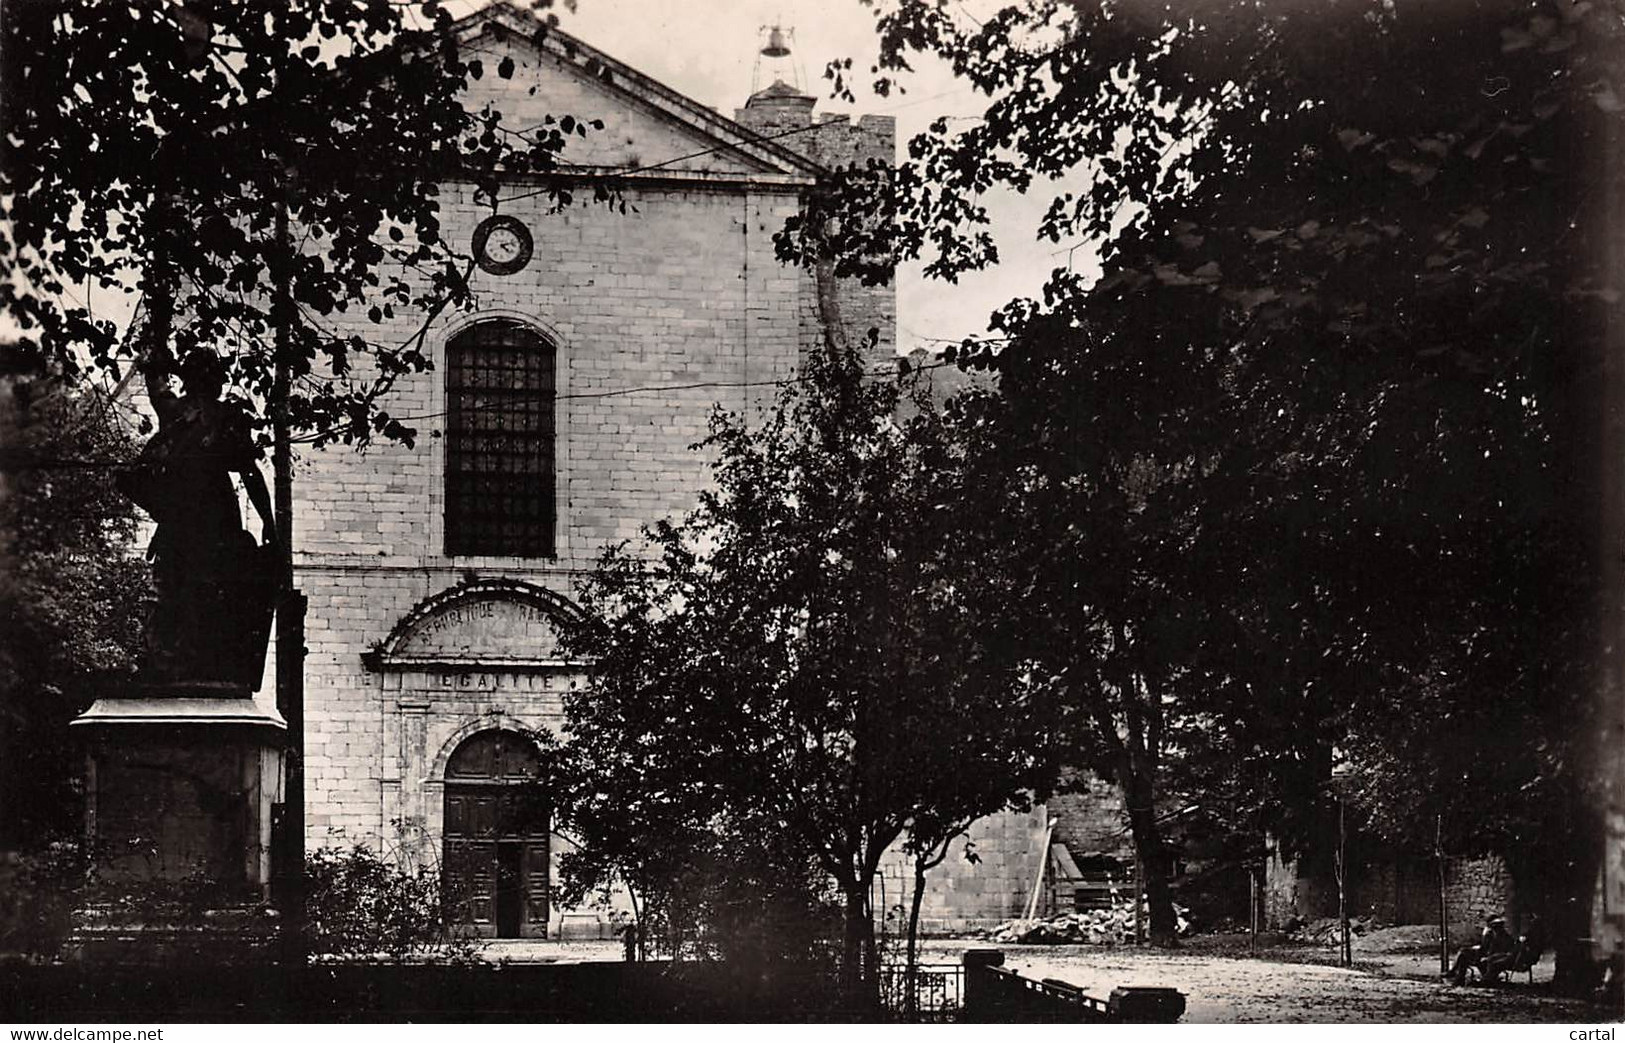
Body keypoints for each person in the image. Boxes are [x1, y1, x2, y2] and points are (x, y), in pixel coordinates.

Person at [119, 349, 279, 685]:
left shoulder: (179, 411)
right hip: (206, 518)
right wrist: (268, 522)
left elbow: (156, 383)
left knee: (178, 588)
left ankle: (175, 661)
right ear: (213, 379)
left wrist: (158, 337)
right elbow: (250, 473)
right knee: (194, 588)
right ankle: (177, 661)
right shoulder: (218, 416)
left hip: (190, 518)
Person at [1449, 915, 1516, 985]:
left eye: (1494, 926)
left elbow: (1503, 952)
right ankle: (1458, 977)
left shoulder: (1504, 938)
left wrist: (1487, 957)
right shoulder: (1490, 934)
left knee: (1470, 957)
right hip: (1484, 954)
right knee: (1464, 952)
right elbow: (1485, 946)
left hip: (1493, 958)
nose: (1491, 928)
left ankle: (1484, 980)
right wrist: (1482, 940)